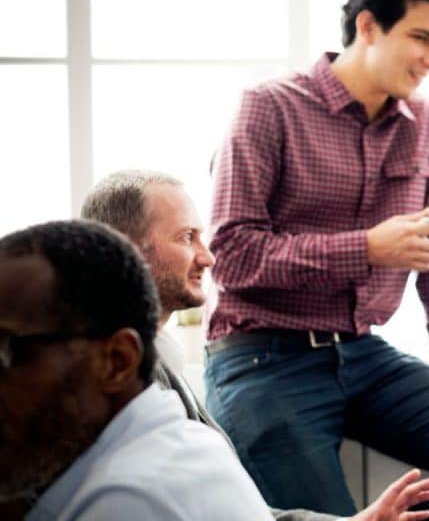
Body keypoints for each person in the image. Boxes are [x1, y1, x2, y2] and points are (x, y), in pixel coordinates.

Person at [204, 0, 429, 518]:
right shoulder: (269, 108)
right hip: (262, 358)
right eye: (420, 38)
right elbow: (231, 255)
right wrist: (365, 247)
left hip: (363, 354)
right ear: (368, 26)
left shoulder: (427, 124)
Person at [81, 169, 429, 521]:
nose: (208, 257)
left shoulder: (157, 362)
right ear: (122, 248)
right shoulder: (116, 383)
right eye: (187, 237)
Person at [0, 220, 273, 519]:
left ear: (118, 361)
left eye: (6, 350)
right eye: (186, 237)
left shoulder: (130, 501)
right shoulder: (174, 447)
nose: (205, 255)